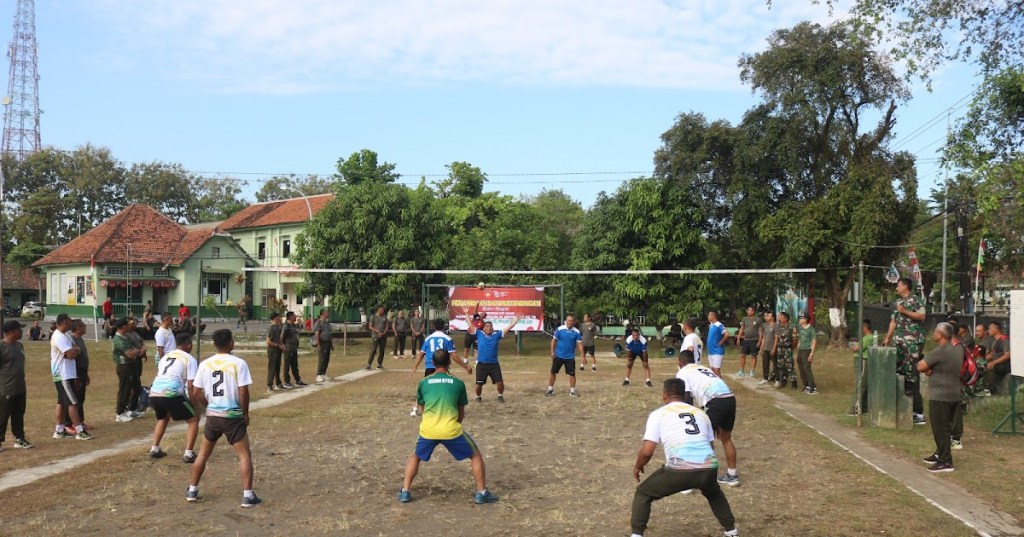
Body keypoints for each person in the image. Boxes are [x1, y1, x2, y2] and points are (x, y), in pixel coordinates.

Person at [630, 378, 738, 537]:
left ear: (664, 395)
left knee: (643, 493)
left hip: (679, 469)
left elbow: (647, 451)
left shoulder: (658, 414)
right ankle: (731, 531)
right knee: (714, 493)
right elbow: (709, 445)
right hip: (708, 467)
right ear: (685, 395)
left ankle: (637, 534)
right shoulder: (702, 414)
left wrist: (638, 466)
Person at [397, 348, 498, 505]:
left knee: (415, 456)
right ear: (449, 362)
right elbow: (461, 411)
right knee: (475, 455)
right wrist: (455, 424)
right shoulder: (458, 383)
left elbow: (422, 407)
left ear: (432, 363)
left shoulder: (423, 382)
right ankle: (481, 493)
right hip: (451, 430)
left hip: (429, 429)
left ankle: (405, 492)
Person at [187, 329, 261, 507]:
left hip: (213, 416)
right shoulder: (239, 363)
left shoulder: (205, 364)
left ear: (214, 344)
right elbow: (243, 391)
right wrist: (245, 413)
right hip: (232, 415)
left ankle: (192, 490)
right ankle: (248, 495)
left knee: (203, 454)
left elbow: (195, 392)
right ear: (231, 343)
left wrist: (208, 405)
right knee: (244, 455)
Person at [676, 349, 740, 487]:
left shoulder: (683, 372)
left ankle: (705, 477)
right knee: (726, 438)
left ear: (680, 362)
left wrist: (688, 416)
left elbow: (686, 397)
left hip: (715, 400)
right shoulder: (703, 368)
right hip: (729, 398)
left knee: (702, 438)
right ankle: (732, 475)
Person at [917, 322, 963, 473]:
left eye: (936, 331)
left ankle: (945, 461)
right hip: (953, 394)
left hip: (940, 397)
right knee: (946, 427)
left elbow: (920, 366)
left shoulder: (940, 351)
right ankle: (939, 453)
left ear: (941, 334)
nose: (933, 333)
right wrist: (931, 370)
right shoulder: (957, 349)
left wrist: (928, 369)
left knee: (940, 429)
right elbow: (942, 368)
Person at [148, 332, 200, 463]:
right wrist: (195, 406)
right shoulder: (190, 359)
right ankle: (189, 454)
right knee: (193, 420)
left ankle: (154, 449)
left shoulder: (166, 357)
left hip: (154, 392)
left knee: (163, 418)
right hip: (171, 393)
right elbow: (191, 386)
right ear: (189, 345)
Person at [883, 277, 927, 425]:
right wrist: (888, 338)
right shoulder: (897, 302)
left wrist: (905, 311)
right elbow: (893, 321)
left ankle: (917, 411)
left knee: (911, 370)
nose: (896, 288)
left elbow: (921, 315)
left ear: (905, 286)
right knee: (898, 369)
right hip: (899, 340)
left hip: (913, 340)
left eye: (898, 285)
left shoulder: (916, 300)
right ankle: (900, 404)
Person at [411, 319, 471, 415]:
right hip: (443, 367)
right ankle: (449, 407)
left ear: (433, 326)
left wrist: (415, 367)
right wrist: (465, 366)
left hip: (430, 366)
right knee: (446, 386)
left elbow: (421, 354)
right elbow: (454, 355)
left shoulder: (428, 339)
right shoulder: (447, 339)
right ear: (444, 326)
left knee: (426, 387)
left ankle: (415, 408)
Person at [464, 306, 519, 402]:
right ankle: (478, 397)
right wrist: (466, 313)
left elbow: (509, 327)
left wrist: (516, 320)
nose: (489, 328)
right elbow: (470, 324)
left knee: (500, 382)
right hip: (481, 364)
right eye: (487, 326)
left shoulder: (496, 335)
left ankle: (500, 395)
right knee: (479, 384)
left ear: (493, 328)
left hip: (494, 364)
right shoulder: (479, 334)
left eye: (490, 327)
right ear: (483, 328)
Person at [51, 314, 92, 440]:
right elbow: (71, 355)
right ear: (64, 322)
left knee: (62, 403)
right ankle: (79, 430)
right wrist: (73, 351)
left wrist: (74, 351)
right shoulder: (59, 336)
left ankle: (59, 430)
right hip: (63, 374)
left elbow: (75, 350)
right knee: (72, 402)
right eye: (70, 321)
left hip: (66, 373)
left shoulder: (66, 336)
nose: (71, 324)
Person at [0, 320, 34, 450]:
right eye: (19, 329)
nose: (22, 332)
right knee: (3, 416)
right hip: (6, 389)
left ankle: (20, 438)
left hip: (20, 387)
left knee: (19, 414)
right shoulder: (1, 347)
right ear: (11, 332)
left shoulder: (19, 345)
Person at [113, 318, 145, 422]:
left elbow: (133, 349)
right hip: (124, 367)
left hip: (131, 365)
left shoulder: (125, 337)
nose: (129, 326)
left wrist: (136, 351)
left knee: (136, 387)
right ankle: (120, 413)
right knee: (125, 390)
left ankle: (132, 409)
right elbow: (130, 354)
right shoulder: (119, 340)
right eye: (127, 325)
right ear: (123, 327)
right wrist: (137, 351)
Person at [63, 320, 92, 432]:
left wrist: (86, 374)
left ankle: (79, 420)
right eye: (83, 326)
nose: (85, 327)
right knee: (73, 399)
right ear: (78, 328)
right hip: (76, 372)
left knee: (81, 398)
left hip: (82, 371)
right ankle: (69, 423)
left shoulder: (80, 339)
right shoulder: (72, 340)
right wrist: (76, 376)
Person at [548, 316, 584, 397]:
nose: (570, 322)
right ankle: (550, 390)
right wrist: (552, 352)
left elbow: (580, 344)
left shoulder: (577, 332)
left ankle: (572, 391)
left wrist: (583, 355)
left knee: (572, 374)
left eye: (571, 321)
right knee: (553, 372)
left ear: (574, 322)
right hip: (558, 355)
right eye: (568, 320)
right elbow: (553, 341)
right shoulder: (559, 329)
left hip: (570, 357)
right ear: (565, 321)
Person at [848, 319, 873, 415]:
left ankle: (855, 408)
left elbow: (856, 348)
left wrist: (854, 347)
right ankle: (863, 406)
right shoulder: (865, 338)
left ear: (865, 328)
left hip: (863, 360)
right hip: (859, 361)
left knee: (861, 384)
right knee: (863, 383)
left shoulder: (869, 337)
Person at [984, 322, 1011, 395]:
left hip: (1004, 365)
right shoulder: (994, 341)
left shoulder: (1004, 340)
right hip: (995, 363)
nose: (988, 331)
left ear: (996, 329)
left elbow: (1007, 355)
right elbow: (992, 354)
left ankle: (991, 390)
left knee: (991, 368)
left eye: (990, 329)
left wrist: (994, 362)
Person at [735, 306, 762, 378]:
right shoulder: (745, 319)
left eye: (749, 310)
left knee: (753, 356)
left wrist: (759, 341)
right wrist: (738, 338)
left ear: (753, 311)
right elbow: (742, 328)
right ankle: (741, 370)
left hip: (754, 340)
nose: (748, 311)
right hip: (746, 340)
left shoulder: (758, 320)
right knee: (742, 355)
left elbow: (760, 331)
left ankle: (752, 371)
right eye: (747, 310)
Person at [795, 314, 818, 394]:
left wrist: (811, 354)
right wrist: (797, 352)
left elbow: (814, 341)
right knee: (801, 369)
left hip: (807, 350)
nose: (799, 319)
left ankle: (813, 387)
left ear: (805, 319)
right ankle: (806, 385)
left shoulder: (811, 329)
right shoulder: (800, 328)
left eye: (801, 318)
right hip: (801, 350)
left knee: (807, 369)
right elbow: (800, 340)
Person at [774, 312, 797, 389]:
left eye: (780, 317)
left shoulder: (791, 327)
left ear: (785, 319)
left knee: (789, 365)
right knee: (781, 365)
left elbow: (795, 340)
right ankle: (783, 381)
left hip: (788, 348)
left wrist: (791, 348)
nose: (779, 318)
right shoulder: (779, 327)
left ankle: (794, 382)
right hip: (780, 349)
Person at [282, 311, 305, 387]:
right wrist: (282, 345)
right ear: (290, 317)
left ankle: (298, 380)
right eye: (294, 315)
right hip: (288, 348)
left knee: (295, 365)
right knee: (287, 366)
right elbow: (282, 336)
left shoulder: (293, 325)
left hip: (294, 348)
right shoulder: (286, 326)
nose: (296, 317)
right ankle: (286, 382)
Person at [265, 312, 286, 392]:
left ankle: (278, 383)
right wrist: (278, 345)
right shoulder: (272, 328)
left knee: (277, 367)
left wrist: (282, 345)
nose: (280, 317)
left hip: (278, 350)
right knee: (272, 367)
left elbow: (278, 339)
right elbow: (268, 341)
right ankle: (269, 385)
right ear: (275, 318)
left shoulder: (278, 327)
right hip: (272, 350)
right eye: (278, 316)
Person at [706, 311, 729, 378]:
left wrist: (721, 342)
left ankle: (721, 383)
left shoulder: (719, 325)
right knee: (712, 370)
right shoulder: (711, 325)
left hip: (717, 351)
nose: (708, 317)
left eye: (709, 315)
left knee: (716, 371)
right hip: (711, 351)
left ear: (713, 316)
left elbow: (726, 334)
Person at [758, 312, 778, 385]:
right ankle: (765, 378)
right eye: (765, 316)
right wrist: (761, 348)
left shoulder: (776, 325)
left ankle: (777, 379)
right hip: (765, 348)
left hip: (772, 348)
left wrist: (774, 348)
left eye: (768, 316)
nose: (766, 317)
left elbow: (776, 338)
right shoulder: (764, 325)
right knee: (765, 364)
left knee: (775, 364)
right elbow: (764, 337)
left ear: (772, 318)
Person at [313, 310, 333, 382]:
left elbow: (329, 334)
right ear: (322, 314)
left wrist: (331, 344)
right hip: (322, 343)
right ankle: (318, 374)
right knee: (322, 359)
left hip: (328, 343)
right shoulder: (318, 323)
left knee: (326, 359)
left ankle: (323, 373)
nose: (328, 313)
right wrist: (318, 344)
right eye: (326, 313)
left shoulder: (327, 323)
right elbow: (317, 333)